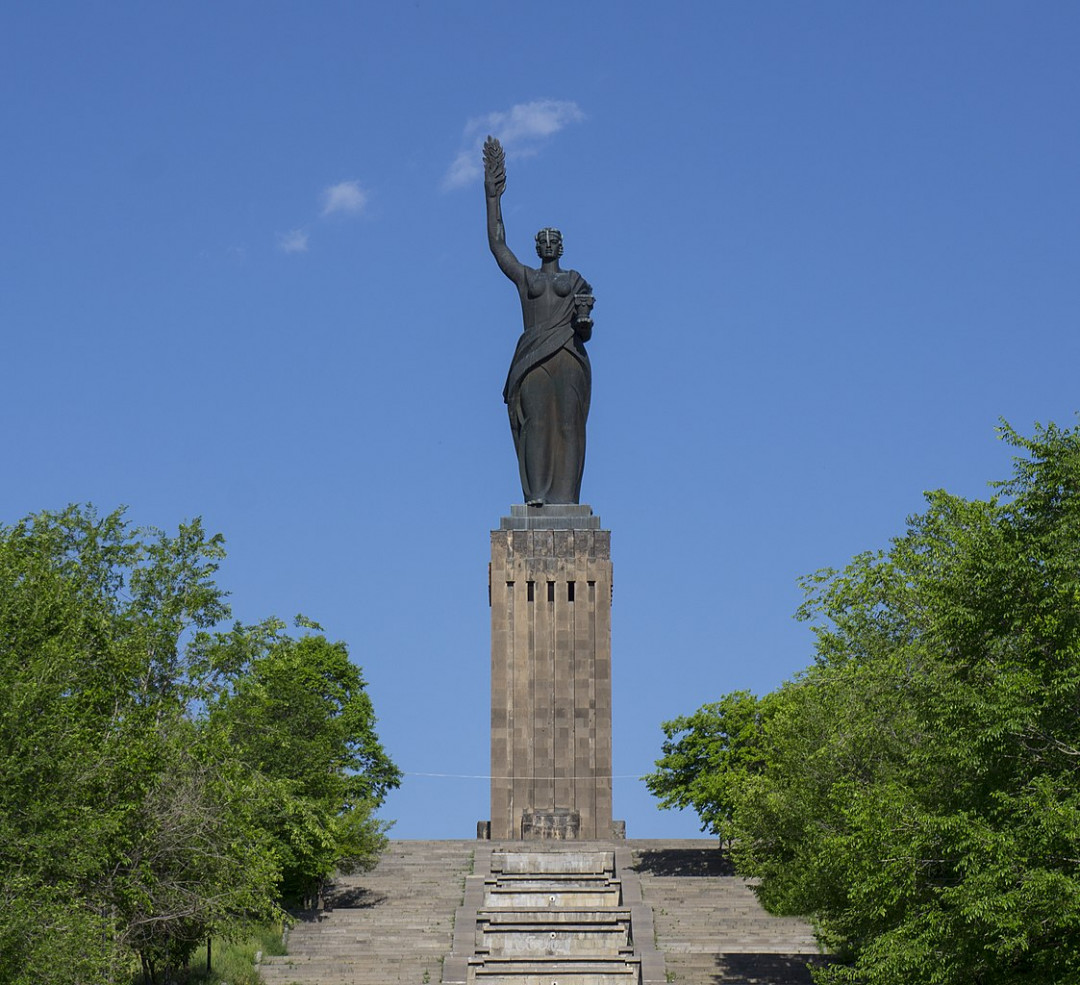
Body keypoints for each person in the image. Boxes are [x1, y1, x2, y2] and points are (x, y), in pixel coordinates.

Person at [483, 136, 595, 506]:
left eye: (553, 239)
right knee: (536, 425)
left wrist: (583, 324)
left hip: (568, 355)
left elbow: (584, 325)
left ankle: (566, 500)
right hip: (532, 358)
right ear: (537, 246)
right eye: (542, 239)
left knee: (568, 424)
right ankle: (537, 495)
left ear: (560, 246)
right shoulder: (527, 278)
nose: (547, 243)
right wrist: (492, 197)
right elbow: (498, 246)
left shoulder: (575, 280)